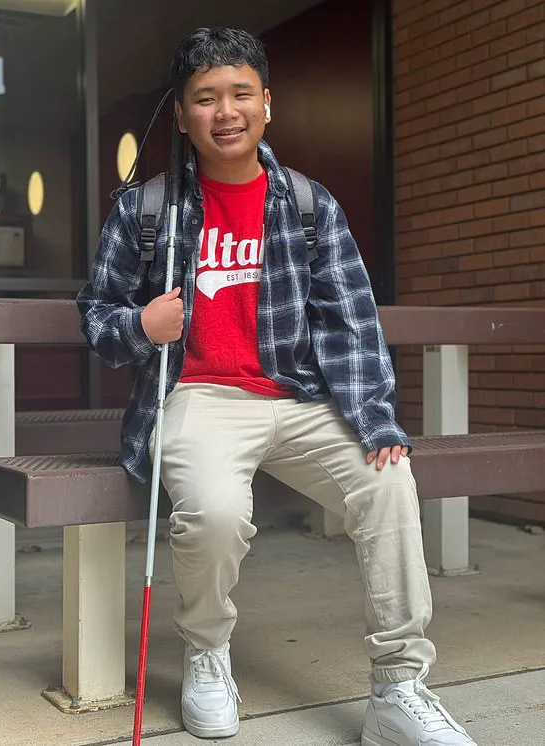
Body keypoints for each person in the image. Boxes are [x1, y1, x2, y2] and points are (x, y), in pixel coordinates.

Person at [77, 26, 477, 746]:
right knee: (214, 512)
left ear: (268, 103)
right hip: (199, 397)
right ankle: (207, 652)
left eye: (240, 93)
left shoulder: (306, 203)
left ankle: (398, 687)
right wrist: (142, 324)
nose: (225, 111)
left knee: (388, 482)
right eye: (206, 98)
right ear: (181, 114)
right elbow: (99, 316)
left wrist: (375, 418)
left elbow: (351, 322)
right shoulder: (148, 209)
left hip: (298, 398)